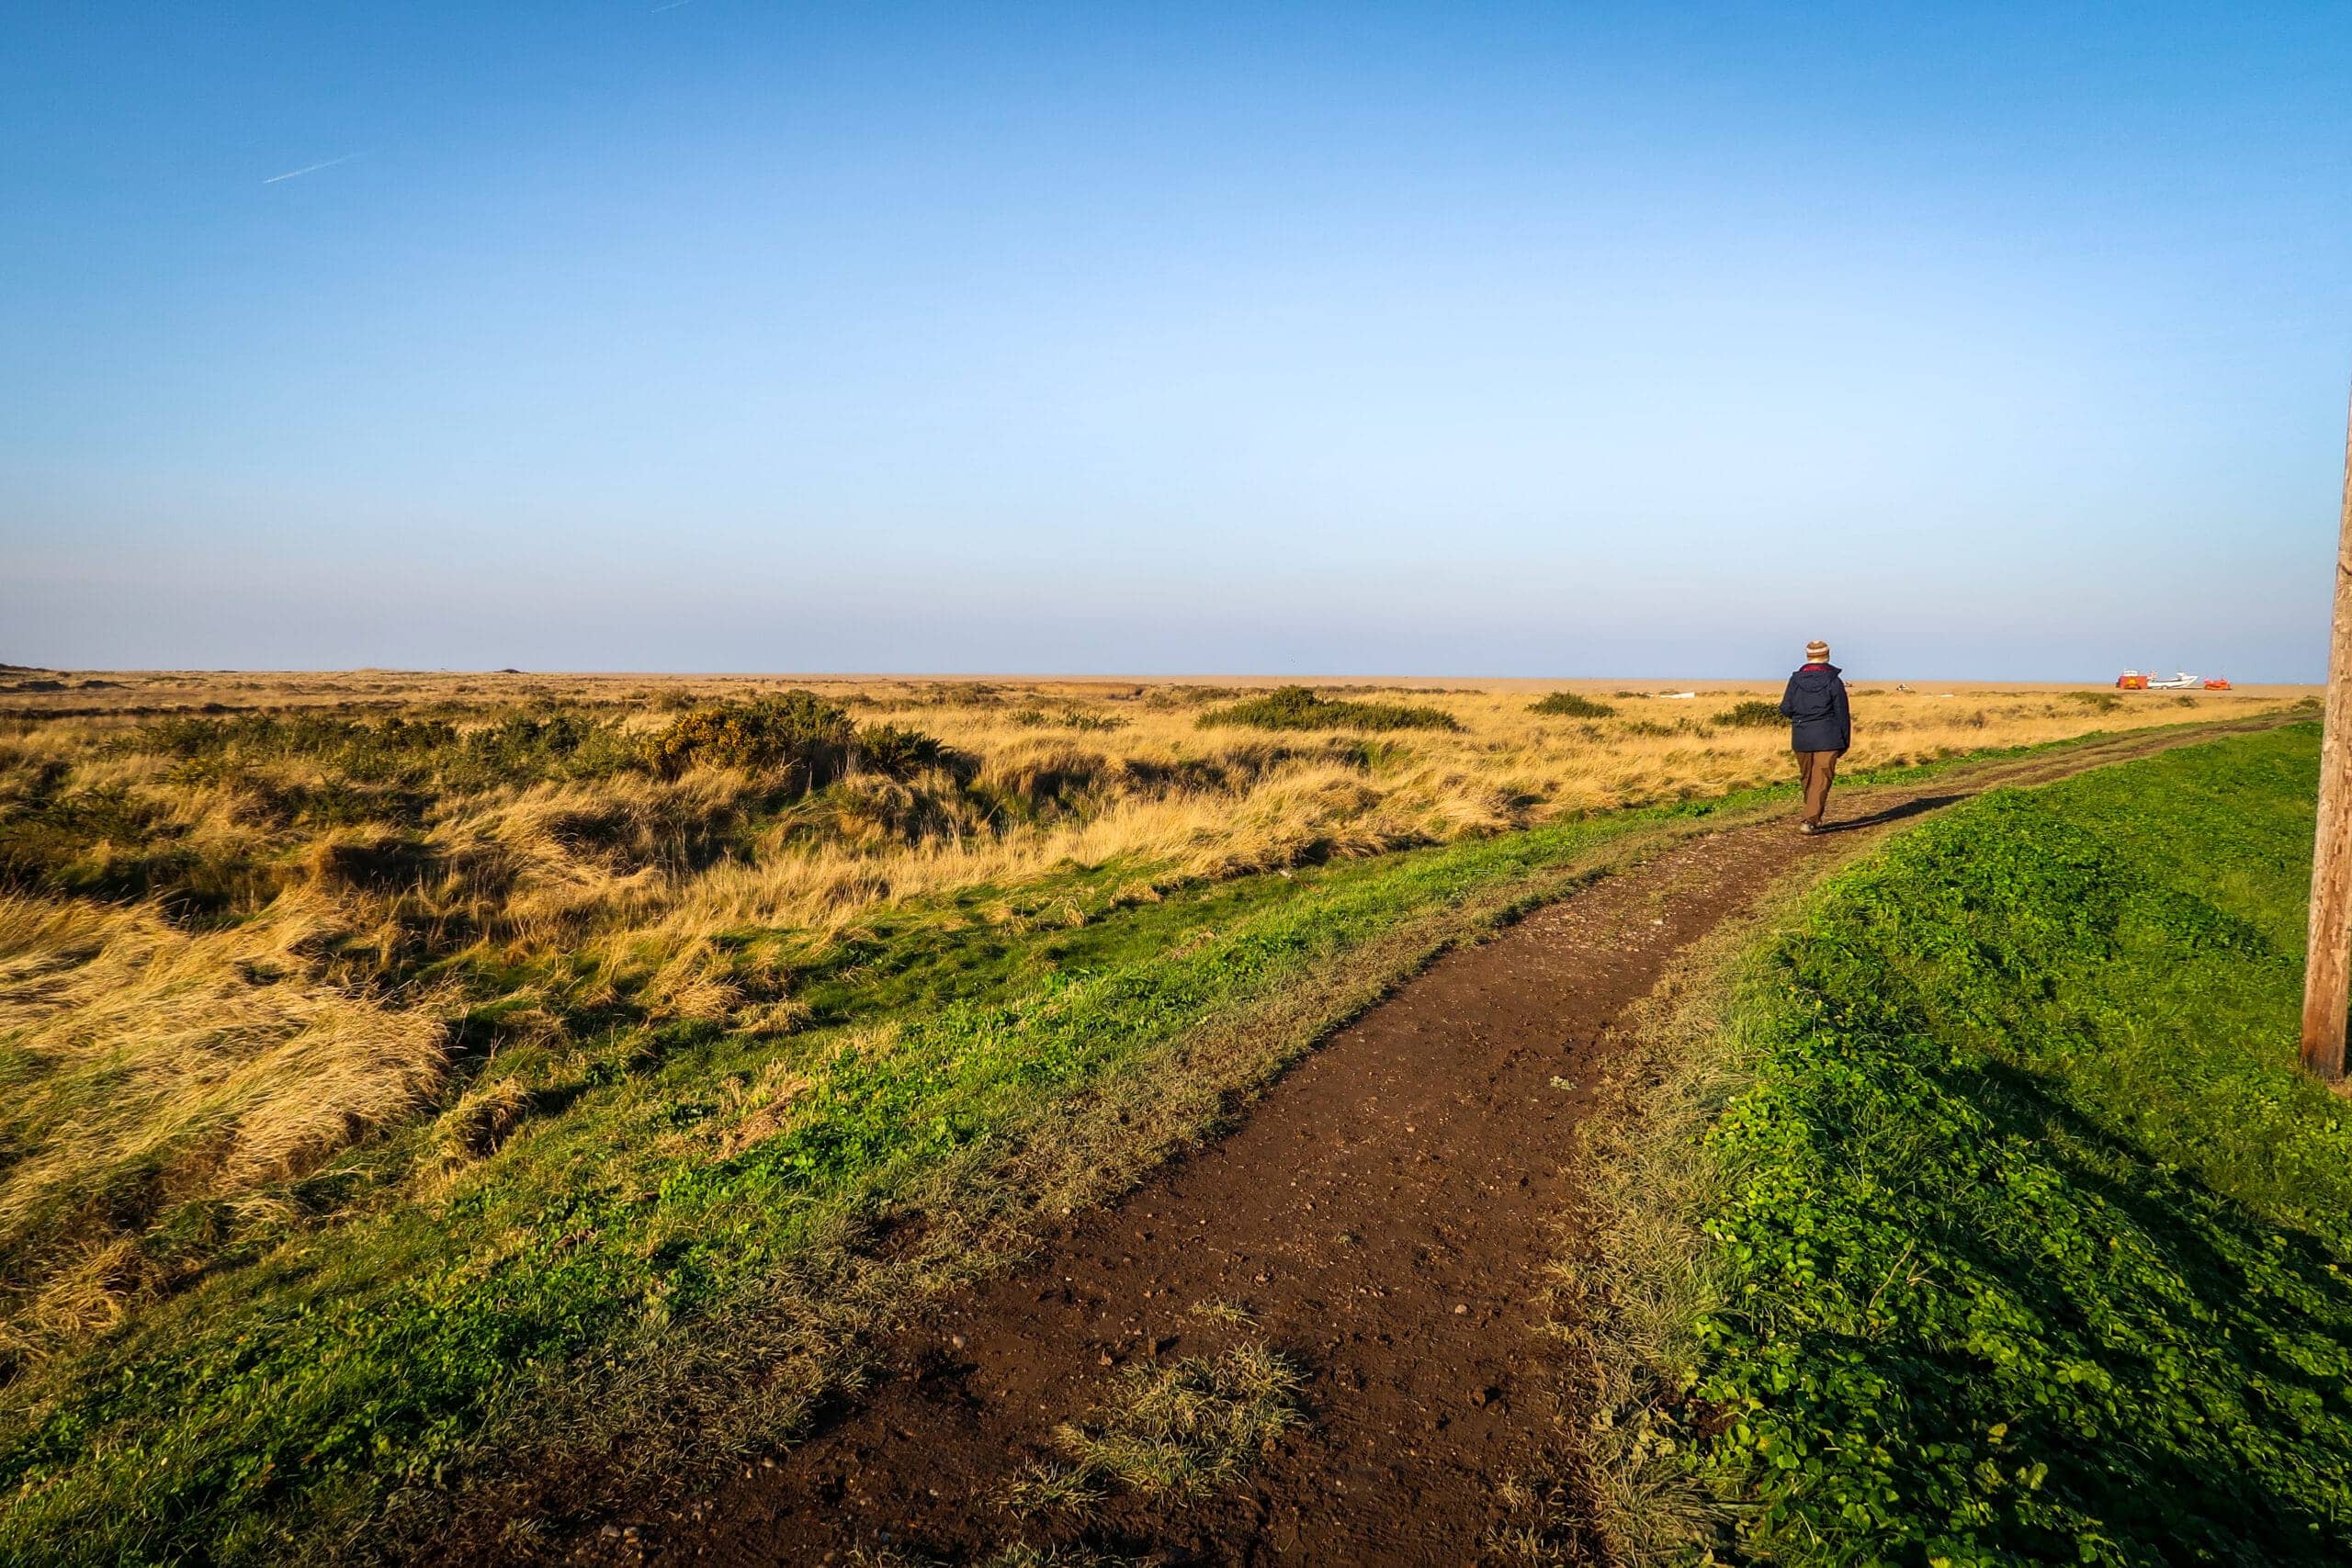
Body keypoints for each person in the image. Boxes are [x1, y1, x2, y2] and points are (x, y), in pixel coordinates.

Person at [1779, 639, 1850, 834]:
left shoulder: (1795, 680)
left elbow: (1785, 708)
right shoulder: (1834, 681)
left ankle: (1811, 815)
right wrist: (1845, 741)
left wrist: (1802, 717)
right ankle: (1810, 819)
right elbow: (1842, 713)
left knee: (1808, 778)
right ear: (1827, 656)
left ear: (1808, 656)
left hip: (1801, 736)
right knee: (1820, 779)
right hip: (1828, 737)